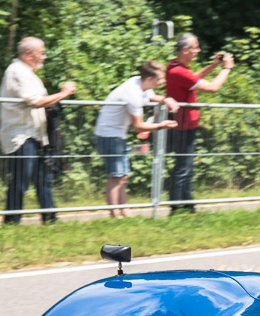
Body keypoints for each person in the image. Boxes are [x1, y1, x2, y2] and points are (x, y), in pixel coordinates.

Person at [0, 37, 77, 225]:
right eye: (41, 52)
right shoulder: (17, 71)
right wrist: (63, 93)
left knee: (43, 179)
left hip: (35, 134)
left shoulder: (27, 72)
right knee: (21, 180)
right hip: (21, 135)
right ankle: (11, 221)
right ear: (28, 54)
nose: (45, 56)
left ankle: (50, 219)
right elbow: (35, 102)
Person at [94, 61, 178, 219]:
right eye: (160, 79)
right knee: (115, 176)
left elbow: (151, 96)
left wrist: (166, 99)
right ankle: (114, 215)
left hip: (116, 134)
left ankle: (125, 212)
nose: (163, 82)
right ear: (149, 78)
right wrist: (161, 125)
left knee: (123, 176)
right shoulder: (132, 93)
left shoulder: (138, 82)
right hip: (109, 135)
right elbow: (138, 126)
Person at [165, 33, 234, 213]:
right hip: (183, 126)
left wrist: (213, 65)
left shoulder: (174, 66)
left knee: (185, 166)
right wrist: (226, 69)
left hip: (183, 125)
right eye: (195, 47)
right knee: (183, 167)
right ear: (186, 50)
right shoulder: (178, 71)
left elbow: (193, 79)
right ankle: (177, 207)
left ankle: (187, 206)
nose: (199, 50)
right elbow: (212, 87)